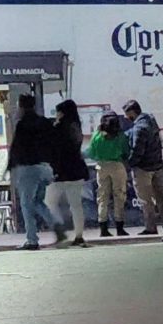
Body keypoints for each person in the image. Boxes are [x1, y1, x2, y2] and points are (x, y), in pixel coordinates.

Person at [8, 94, 67, 250]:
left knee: (26, 204)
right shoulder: (45, 122)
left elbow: (17, 148)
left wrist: (11, 167)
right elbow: (54, 145)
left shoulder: (22, 124)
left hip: (28, 168)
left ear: (21, 106)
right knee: (38, 202)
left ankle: (32, 239)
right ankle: (57, 226)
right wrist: (55, 167)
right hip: (45, 168)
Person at [123, 99, 163, 235]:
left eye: (127, 114)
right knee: (162, 198)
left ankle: (151, 227)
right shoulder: (151, 120)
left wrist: (129, 165)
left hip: (143, 169)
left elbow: (137, 151)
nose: (126, 117)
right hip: (158, 166)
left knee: (146, 200)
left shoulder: (139, 128)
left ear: (132, 112)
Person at [46, 100, 90, 247]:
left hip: (61, 172)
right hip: (76, 170)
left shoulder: (58, 128)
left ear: (62, 113)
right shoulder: (76, 127)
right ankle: (79, 235)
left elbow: (54, 151)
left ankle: (60, 231)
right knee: (76, 205)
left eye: (58, 112)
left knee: (49, 202)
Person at [87, 110, 131, 237]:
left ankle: (103, 228)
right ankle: (119, 227)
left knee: (102, 197)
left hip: (101, 166)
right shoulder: (120, 136)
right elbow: (126, 152)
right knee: (119, 196)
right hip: (117, 165)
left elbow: (91, 153)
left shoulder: (96, 135)